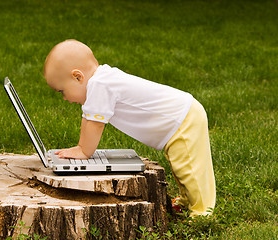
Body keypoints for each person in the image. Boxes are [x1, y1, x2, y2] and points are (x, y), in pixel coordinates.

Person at [43, 39, 216, 216]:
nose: (64, 98)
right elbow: (89, 117)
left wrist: (83, 151)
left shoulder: (99, 85)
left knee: (189, 167)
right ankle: (188, 200)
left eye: (62, 91)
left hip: (182, 118)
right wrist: (81, 148)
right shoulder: (101, 81)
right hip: (180, 117)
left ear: (78, 77)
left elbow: (94, 124)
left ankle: (203, 212)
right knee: (181, 162)